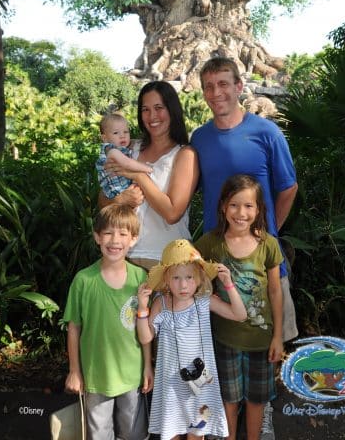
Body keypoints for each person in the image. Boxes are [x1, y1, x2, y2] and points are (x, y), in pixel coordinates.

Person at [191, 56, 298, 439]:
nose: (216, 92)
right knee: (226, 349)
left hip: (263, 266)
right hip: (216, 267)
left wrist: (264, 238)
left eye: (223, 83)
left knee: (265, 344)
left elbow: (288, 189)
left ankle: (263, 413)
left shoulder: (267, 132)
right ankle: (225, 422)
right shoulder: (199, 139)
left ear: (239, 86)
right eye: (208, 86)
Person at [195, 174, 283, 440]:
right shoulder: (211, 242)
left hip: (261, 341)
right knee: (229, 400)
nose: (241, 213)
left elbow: (276, 291)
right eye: (234, 205)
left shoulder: (268, 244)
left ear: (258, 210)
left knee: (256, 401)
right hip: (226, 340)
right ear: (223, 206)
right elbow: (188, 269)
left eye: (248, 206)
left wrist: (278, 336)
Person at [136, 238, 247, 440]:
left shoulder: (204, 301)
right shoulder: (161, 303)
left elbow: (239, 315)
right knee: (171, 433)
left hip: (200, 382)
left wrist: (229, 285)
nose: (183, 284)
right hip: (170, 384)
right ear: (166, 281)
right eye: (176, 278)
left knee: (197, 432)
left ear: (198, 279)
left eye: (189, 277)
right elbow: (146, 337)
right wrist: (143, 308)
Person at [63, 204, 153, 440]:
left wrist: (147, 366)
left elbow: (144, 327)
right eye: (108, 233)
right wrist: (75, 371)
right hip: (95, 376)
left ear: (133, 239)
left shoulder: (140, 278)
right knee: (99, 435)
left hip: (132, 375)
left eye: (123, 234)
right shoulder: (83, 280)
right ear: (97, 237)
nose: (115, 240)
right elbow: (73, 328)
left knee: (133, 434)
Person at [101, 81, 199, 271]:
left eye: (159, 108)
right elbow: (103, 199)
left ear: (172, 110)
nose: (152, 116)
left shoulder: (185, 154)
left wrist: (139, 176)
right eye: (145, 109)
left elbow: (172, 213)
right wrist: (120, 199)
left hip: (167, 260)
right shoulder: (128, 149)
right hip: (123, 256)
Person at [96, 112, 153, 199]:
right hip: (117, 191)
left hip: (123, 189)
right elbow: (127, 163)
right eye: (116, 133)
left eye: (126, 132)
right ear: (105, 138)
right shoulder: (112, 151)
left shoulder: (122, 149)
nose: (122, 136)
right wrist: (148, 169)